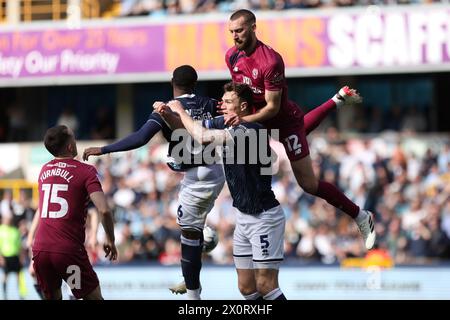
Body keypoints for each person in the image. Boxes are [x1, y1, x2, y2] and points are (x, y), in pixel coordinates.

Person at [224, 9, 375, 249]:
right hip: (256, 122)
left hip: (283, 121)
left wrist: (244, 120)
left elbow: (272, 109)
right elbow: (239, 93)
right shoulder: (232, 56)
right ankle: (337, 99)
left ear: (253, 27)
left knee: (309, 185)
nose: (235, 36)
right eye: (231, 32)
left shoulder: (270, 61)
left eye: (239, 30)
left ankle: (361, 215)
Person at [83, 65, 225, 300]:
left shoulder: (167, 109)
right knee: (191, 227)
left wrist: (104, 149)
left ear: (172, 82)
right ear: (195, 83)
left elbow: (140, 138)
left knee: (189, 233)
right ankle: (193, 268)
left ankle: (193, 295)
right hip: (217, 171)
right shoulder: (211, 102)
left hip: (197, 177)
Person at [156, 82, 287, 300]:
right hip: (243, 218)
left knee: (266, 286)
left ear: (243, 106)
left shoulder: (251, 130)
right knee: (246, 288)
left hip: (264, 217)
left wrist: (179, 109)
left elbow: (203, 136)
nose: (222, 105)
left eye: (228, 102)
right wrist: (168, 114)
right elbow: (189, 132)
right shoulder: (227, 126)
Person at [32, 125, 117, 300]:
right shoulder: (85, 171)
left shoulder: (44, 171)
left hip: (41, 250)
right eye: (73, 137)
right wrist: (110, 239)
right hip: (67, 253)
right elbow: (104, 210)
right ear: (70, 146)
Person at [0, 215, 25, 299]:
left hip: (15, 257)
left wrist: (22, 257)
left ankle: (21, 294)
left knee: (19, 277)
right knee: (5, 277)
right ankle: (5, 295)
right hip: (5, 257)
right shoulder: (1, 230)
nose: (8, 220)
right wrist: (1, 257)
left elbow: (20, 246)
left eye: (9, 219)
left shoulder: (15, 230)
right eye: (6, 219)